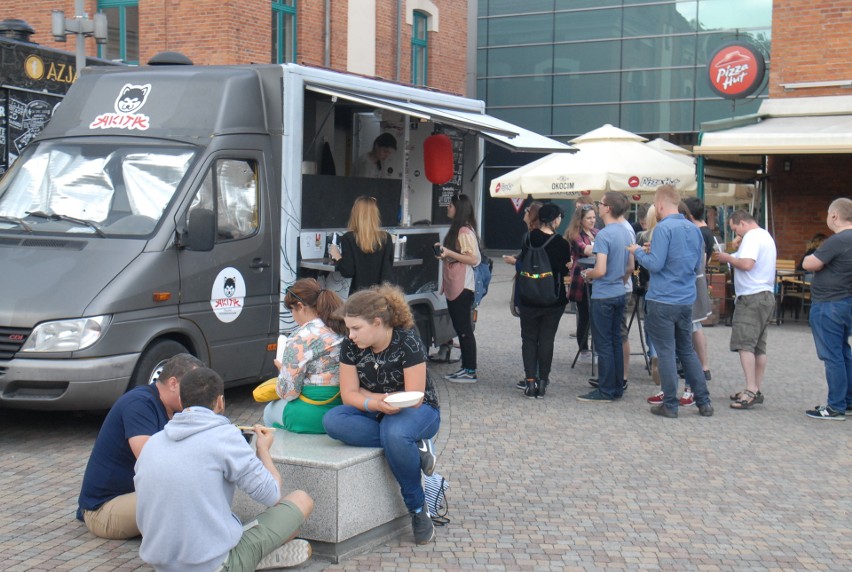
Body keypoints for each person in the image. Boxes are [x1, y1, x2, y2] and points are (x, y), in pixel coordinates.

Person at [135, 367, 314, 571]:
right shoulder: (225, 436)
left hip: (161, 565)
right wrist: (263, 450)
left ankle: (252, 555)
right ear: (220, 401)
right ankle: (254, 558)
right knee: (301, 500)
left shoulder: (153, 442)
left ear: (182, 402)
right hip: (216, 566)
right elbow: (271, 494)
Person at [322, 285, 440, 545]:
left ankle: (418, 509)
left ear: (377, 323)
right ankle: (414, 448)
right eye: (348, 328)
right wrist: (376, 403)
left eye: (356, 328)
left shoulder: (407, 340)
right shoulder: (351, 346)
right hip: (379, 411)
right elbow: (349, 395)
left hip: (419, 410)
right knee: (333, 421)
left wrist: (367, 394)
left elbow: (414, 395)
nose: (350, 335)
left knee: (395, 432)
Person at [76, 353, 203, 539]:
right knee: (180, 497)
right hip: (103, 509)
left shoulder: (173, 409)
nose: (198, 395)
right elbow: (149, 461)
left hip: (135, 495)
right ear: (174, 383)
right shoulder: (139, 403)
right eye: (194, 387)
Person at [628, 186, 712, 418]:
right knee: (687, 350)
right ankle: (703, 401)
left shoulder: (663, 228)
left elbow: (654, 265)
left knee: (665, 351)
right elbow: (697, 266)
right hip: (686, 299)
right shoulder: (693, 229)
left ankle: (670, 405)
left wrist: (638, 251)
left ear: (660, 205)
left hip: (662, 298)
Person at [262, 278, 347, 434]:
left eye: (292, 310)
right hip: (343, 408)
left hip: (312, 411)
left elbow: (288, 393)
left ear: (300, 306)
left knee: (269, 412)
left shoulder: (299, 338)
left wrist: (283, 371)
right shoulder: (343, 327)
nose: (293, 316)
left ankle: (281, 455)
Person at [715, 210, 777, 410]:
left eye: (735, 229)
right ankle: (755, 387)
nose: (736, 235)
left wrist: (727, 257)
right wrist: (735, 253)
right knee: (759, 346)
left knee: (745, 344)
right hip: (765, 294)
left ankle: (750, 389)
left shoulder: (751, 237)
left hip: (751, 296)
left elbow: (747, 264)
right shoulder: (765, 235)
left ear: (741, 223)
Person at [577, 192, 634, 403]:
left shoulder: (604, 235)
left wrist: (587, 274)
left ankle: (606, 389)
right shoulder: (626, 232)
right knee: (617, 340)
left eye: (600, 204)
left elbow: (599, 269)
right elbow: (630, 266)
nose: (598, 207)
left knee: (603, 344)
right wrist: (619, 279)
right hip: (619, 291)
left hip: (603, 294)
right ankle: (616, 386)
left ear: (607, 208)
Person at [802, 198, 852, 420]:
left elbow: (810, 263)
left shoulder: (839, 239)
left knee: (833, 356)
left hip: (829, 304)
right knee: (843, 353)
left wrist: (811, 260)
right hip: (846, 301)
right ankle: (847, 402)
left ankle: (835, 406)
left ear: (834, 216)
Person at [515, 203, 572, 399]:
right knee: (547, 339)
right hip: (553, 299)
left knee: (528, 339)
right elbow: (564, 271)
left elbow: (522, 260)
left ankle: (529, 381)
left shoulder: (528, 238)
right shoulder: (562, 244)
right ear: (555, 219)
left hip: (528, 296)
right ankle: (542, 382)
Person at [435, 193, 481, 383]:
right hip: (454, 284)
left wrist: (449, 252)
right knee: (460, 327)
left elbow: (473, 259)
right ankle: (466, 368)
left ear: (458, 208)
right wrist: (445, 255)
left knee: (464, 329)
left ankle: (470, 370)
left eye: (451, 206)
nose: (448, 208)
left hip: (463, 286)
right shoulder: (459, 230)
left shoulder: (464, 231)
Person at [328, 195, 394, 295]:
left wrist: (336, 255)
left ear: (355, 214)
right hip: (380, 297)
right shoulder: (386, 238)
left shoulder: (348, 238)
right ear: (375, 215)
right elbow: (387, 271)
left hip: (358, 297)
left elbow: (348, 271)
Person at [683, 196, 715, 381]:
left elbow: (699, 262)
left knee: (694, 325)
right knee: (696, 325)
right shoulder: (705, 231)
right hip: (696, 281)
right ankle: (703, 365)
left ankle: (702, 365)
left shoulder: (699, 232)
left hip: (693, 282)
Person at [565, 203, 598, 363]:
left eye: (594, 217)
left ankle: (595, 348)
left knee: (596, 314)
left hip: (597, 277)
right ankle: (583, 348)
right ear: (581, 219)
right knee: (584, 314)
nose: (592, 220)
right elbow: (584, 249)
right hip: (581, 279)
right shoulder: (575, 234)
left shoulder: (596, 232)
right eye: (589, 218)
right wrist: (604, 246)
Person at [502, 201, 543, 266]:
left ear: (532, 215)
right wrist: (518, 257)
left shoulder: (533, 236)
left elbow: (533, 264)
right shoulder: (530, 234)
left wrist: (514, 261)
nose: (525, 212)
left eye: (527, 210)